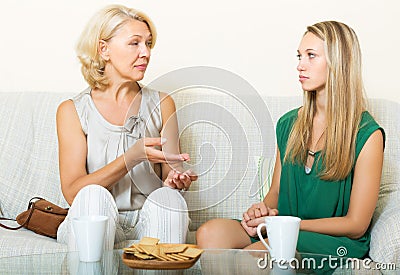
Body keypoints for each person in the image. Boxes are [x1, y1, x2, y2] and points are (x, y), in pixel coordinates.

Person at [196, 21, 385, 261]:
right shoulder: (288, 124)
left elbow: (356, 224)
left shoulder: (367, 134)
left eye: (311, 56)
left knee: (253, 255)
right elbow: (275, 193)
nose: (300, 65)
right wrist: (262, 210)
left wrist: (290, 226)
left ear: (339, 62)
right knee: (209, 234)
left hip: (332, 240)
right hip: (281, 229)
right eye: (299, 56)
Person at [56, 4, 197, 251]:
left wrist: (176, 180)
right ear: (104, 49)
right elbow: (73, 193)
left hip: (148, 220)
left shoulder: (163, 104)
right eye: (135, 43)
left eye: (149, 44)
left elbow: (170, 176)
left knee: (168, 199)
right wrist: (130, 158)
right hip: (95, 216)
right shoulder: (72, 111)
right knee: (92, 196)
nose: (146, 53)